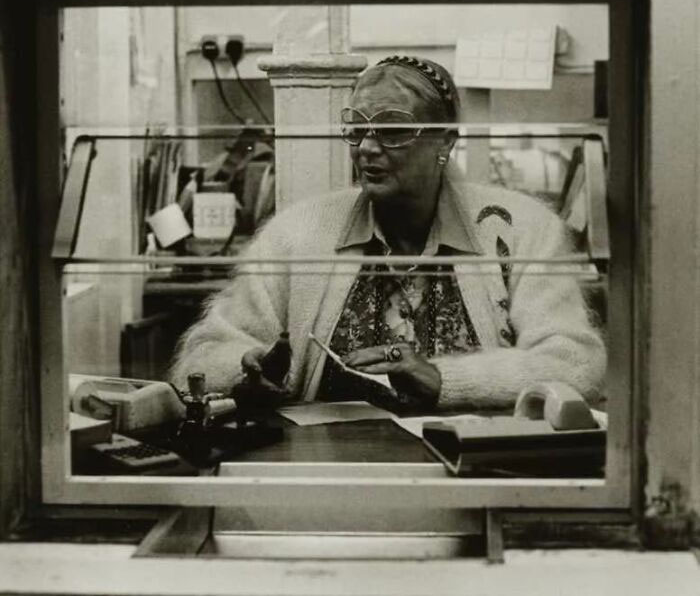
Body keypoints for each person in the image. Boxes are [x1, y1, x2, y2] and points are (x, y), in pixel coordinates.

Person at [170, 56, 606, 411]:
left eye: (392, 129)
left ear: (445, 141)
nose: (367, 148)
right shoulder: (297, 235)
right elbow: (203, 357)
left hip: (476, 472)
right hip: (324, 477)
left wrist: (443, 380)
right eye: (357, 128)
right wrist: (243, 373)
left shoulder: (519, 230)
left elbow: (575, 363)